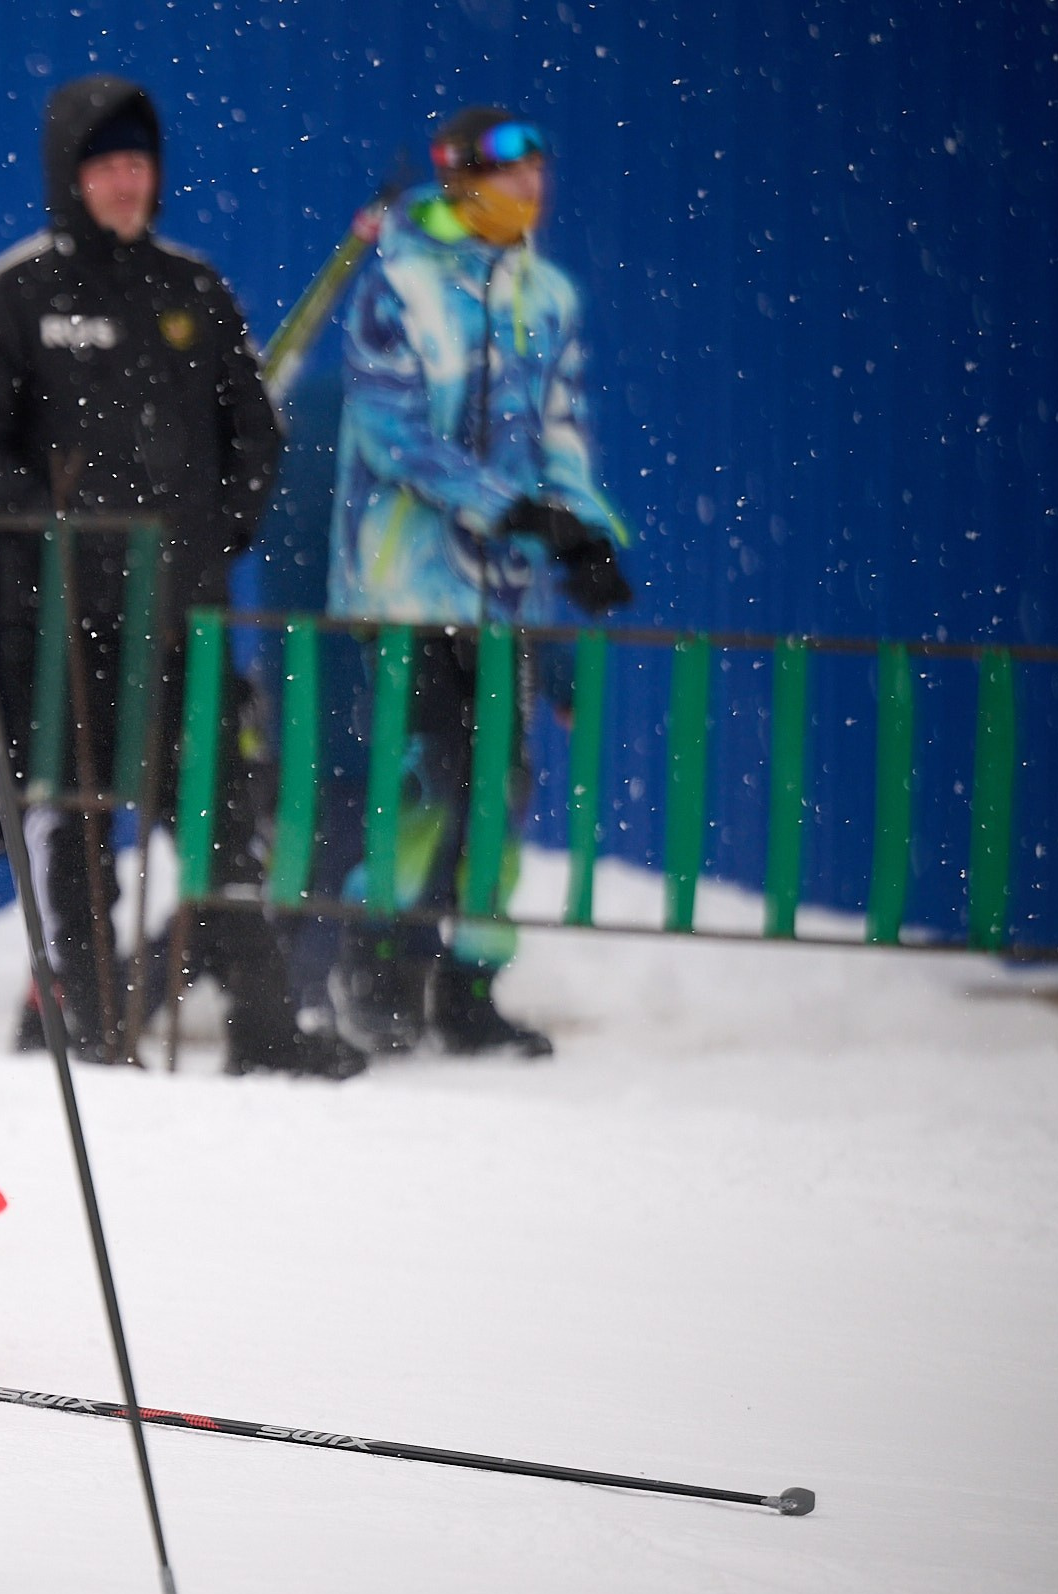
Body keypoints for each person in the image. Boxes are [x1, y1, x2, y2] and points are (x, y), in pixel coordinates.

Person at [0, 75, 363, 1080]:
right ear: (69, 175)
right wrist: (60, 532)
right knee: (77, 828)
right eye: (104, 165)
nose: (124, 183)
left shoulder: (195, 291)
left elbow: (255, 437)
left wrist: (212, 538)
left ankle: (263, 1028)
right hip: (52, 628)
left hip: (180, 622)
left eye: (139, 164)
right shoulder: (15, 293)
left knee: (221, 812)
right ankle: (92, 1026)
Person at [328, 108, 632, 1057]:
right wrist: (508, 507)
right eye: (507, 167)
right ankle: (380, 963)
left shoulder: (552, 297)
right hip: (406, 587)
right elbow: (392, 436)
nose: (529, 182)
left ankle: (471, 984)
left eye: (539, 165)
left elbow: (563, 434)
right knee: (423, 780)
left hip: (508, 598)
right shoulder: (399, 288)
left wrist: (586, 533)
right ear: (459, 178)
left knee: (502, 785)